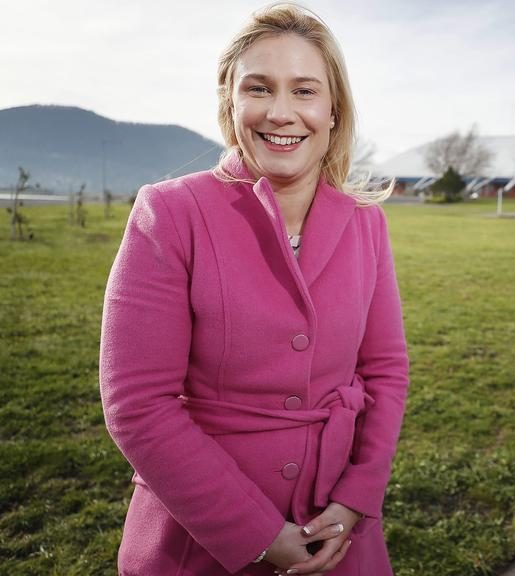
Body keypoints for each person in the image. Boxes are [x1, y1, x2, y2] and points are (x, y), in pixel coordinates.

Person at [99, 4, 409, 575]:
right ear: (231, 103)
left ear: (333, 109)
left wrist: (355, 500)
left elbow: (386, 370)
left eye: (305, 90)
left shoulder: (367, 223)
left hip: (338, 538)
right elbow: (137, 405)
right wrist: (257, 533)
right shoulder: (169, 213)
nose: (281, 112)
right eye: (259, 88)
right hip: (199, 540)